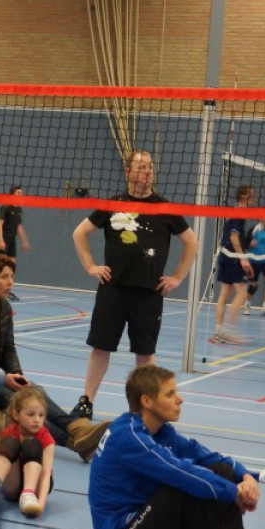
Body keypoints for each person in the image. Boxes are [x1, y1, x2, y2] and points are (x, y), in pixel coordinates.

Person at [89, 365, 259, 529]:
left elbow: (205, 456)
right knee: (185, 483)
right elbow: (180, 473)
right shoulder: (128, 436)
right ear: (147, 401)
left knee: (220, 471)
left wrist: (246, 476)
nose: (180, 400)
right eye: (170, 394)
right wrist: (235, 492)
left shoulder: (161, 432)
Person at [71, 150, 198, 419]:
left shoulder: (165, 208)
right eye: (141, 167)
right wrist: (91, 266)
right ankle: (86, 402)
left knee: (145, 354)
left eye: (150, 167)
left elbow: (192, 242)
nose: (147, 172)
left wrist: (177, 277)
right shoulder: (112, 204)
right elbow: (79, 233)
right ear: (128, 172)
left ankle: (143, 410)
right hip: (113, 289)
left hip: (149, 294)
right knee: (100, 348)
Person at [0, 254, 110, 462]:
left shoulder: (5, 307)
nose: (10, 282)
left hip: (4, 373)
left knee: (35, 392)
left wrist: (17, 375)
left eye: (12, 277)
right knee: (26, 408)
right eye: (4, 277)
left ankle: (78, 430)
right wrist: (6, 377)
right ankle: (75, 439)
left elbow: (9, 348)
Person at [0, 386, 54, 518]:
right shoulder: (6, 433)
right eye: (31, 414)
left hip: (36, 487)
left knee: (32, 444)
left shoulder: (46, 438)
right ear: (16, 415)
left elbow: (46, 474)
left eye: (41, 415)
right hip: (13, 485)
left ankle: (28, 495)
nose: (37, 420)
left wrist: (41, 504)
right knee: (9, 443)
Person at [213, 185, 255, 345]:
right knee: (242, 293)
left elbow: (234, 238)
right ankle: (229, 332)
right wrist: (243, 259)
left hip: (226, 256)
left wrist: (247, 245)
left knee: (224, 294)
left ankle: (219, 332)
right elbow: (233, 237)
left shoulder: (233, 212)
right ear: (245, 197)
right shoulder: (239, 213)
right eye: (252, 195)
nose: (254, 199)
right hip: (233, 259)